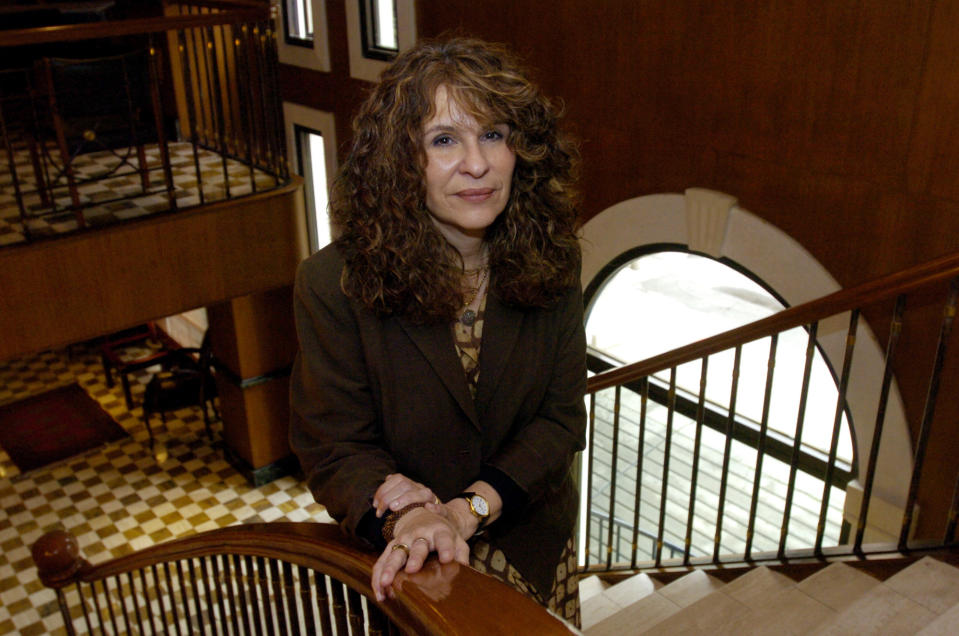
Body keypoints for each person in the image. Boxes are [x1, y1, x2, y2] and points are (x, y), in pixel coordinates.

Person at [289, 36, 586, 625]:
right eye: (444, 139)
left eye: (494, 134)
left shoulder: (555, 257)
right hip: (417, 565)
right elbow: (334, 445)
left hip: (534, 544)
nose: (477, 163)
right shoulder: (332, 283)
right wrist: (412, 518)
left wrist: (468, 509)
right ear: (401, 161)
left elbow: (560, 419)